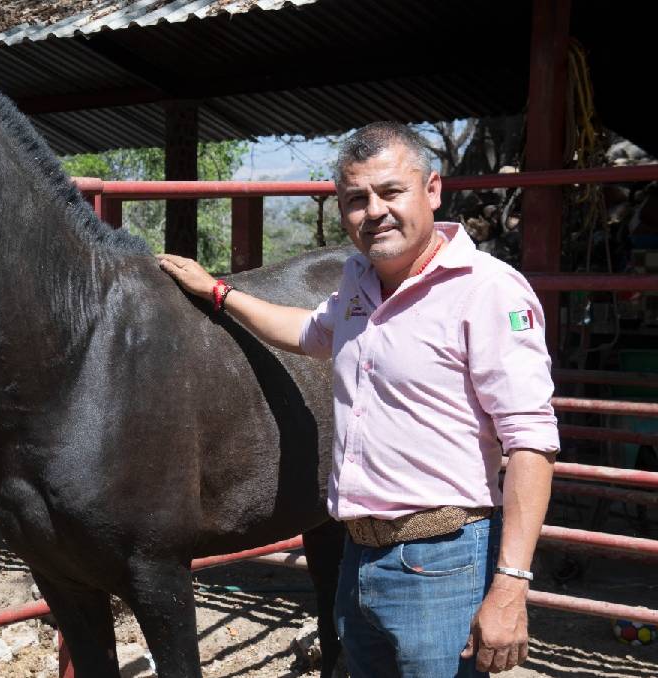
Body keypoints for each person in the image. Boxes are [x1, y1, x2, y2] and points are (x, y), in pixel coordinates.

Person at [157, 121, 559, 677]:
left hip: (443, 560)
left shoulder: (488, 290)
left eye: (391, 191)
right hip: (360, 556)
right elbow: (306, 331)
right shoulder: (358, 283)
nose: (374, 211)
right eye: (356, 199)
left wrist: (511, 586)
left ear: (432, 190)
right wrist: (219, 292)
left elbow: (532, 442)